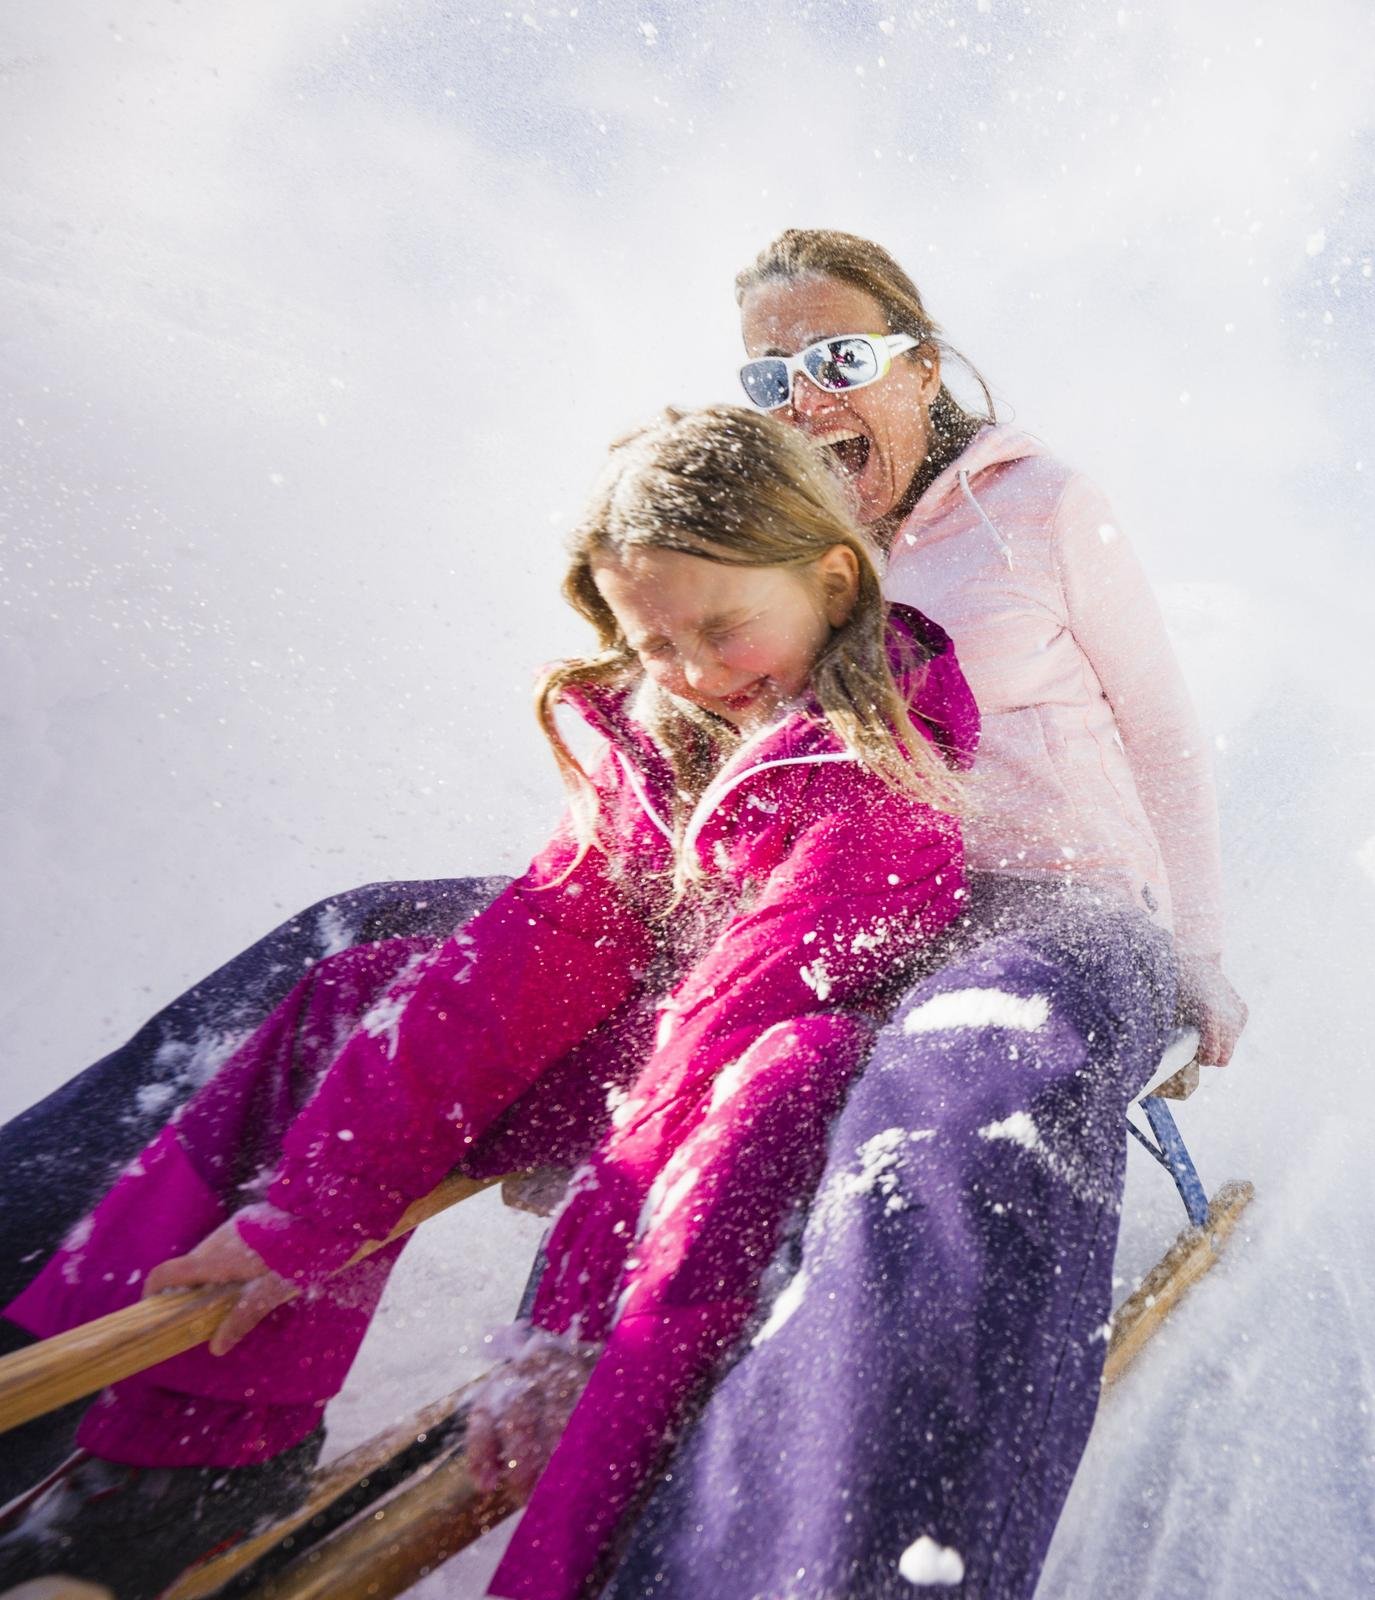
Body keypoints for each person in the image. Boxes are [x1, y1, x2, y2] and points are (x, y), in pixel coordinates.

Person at [0, 225, 1247, 1598]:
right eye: (771, 377)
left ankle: (823, 1556)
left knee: (973, 1073)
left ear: (924, 364)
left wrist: (1197, 949)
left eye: (839, 357)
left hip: (1040, 902)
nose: (806, 395)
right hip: (781, 897)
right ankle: (56, 1341)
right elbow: (611, 888)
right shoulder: (754, 533)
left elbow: (1167, 736)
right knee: (363, 943)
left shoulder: (1038, 509)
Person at [0, 406, 981, 1600]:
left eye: (724, 630)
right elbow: (524, 961)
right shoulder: (667, 728)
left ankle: (598, 1523)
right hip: (659, 1040)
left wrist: (559, 1332)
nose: (691, 672)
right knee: (365, 992)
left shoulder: (873, 789)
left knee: (738, 1108)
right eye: (652, 639)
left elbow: (720, 1032)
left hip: (788, 1095)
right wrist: (305, 1214)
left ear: (834, 580)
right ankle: (184, 1450)